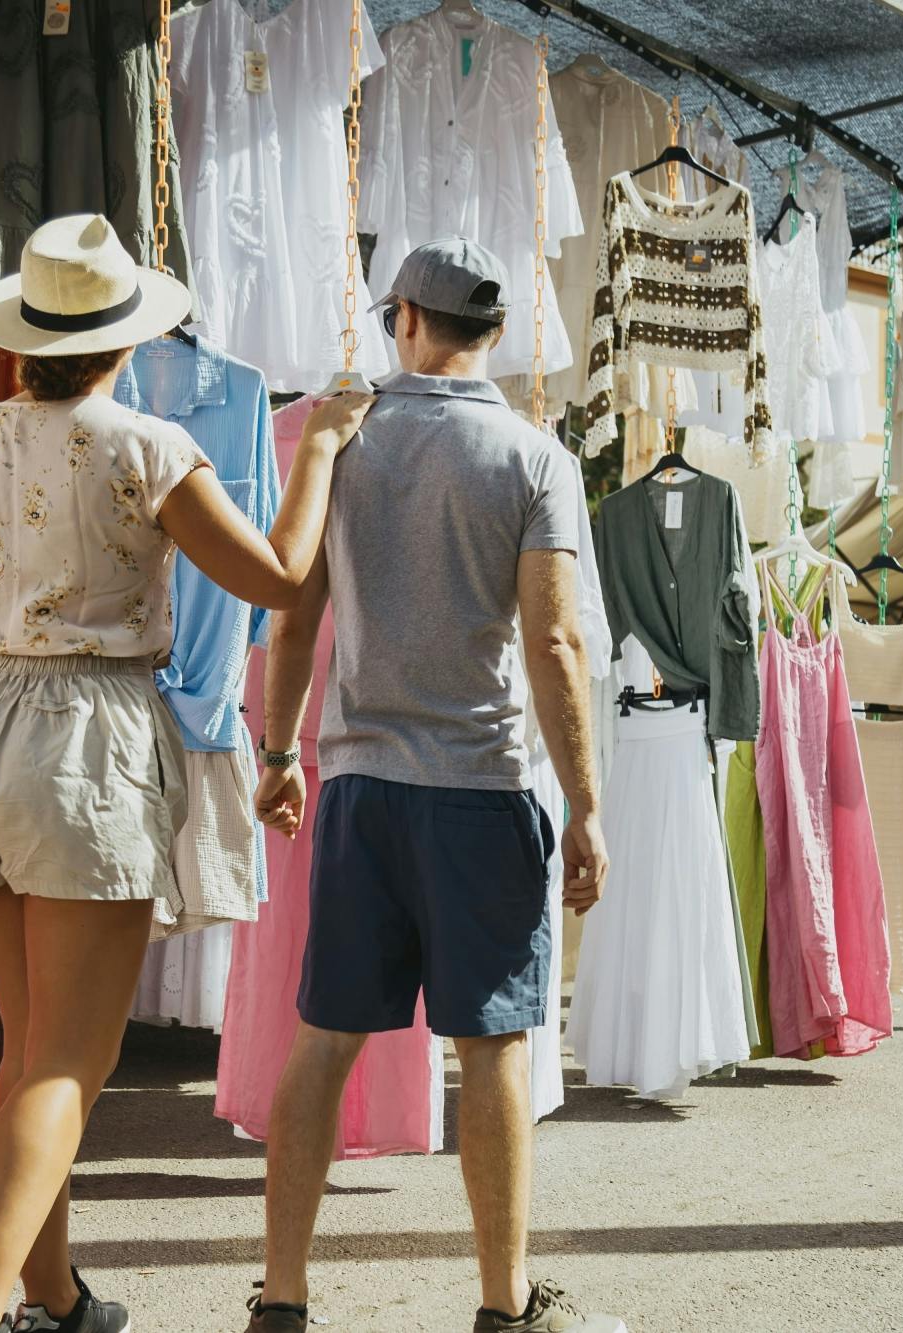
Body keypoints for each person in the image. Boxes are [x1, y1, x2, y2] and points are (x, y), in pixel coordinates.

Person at [0, 214, 370, 1333]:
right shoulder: (146, 446)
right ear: (124, 339)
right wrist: (312, 449)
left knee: (31, 1054)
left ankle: (52, 1297)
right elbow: (275, 575)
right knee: (68, 1060)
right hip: (85, 734)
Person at [246, 239, 619, 1333]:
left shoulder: (342, 442)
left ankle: (281, 1299)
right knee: (492, 1045)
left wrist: (279, 752)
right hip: (481, 786)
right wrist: (586, 804)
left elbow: (295, 611)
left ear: (404, 316)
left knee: (323, 1039)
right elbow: (552, 642)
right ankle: (503, 1309)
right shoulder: (531, 456)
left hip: (362, 783)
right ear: (493, 332)